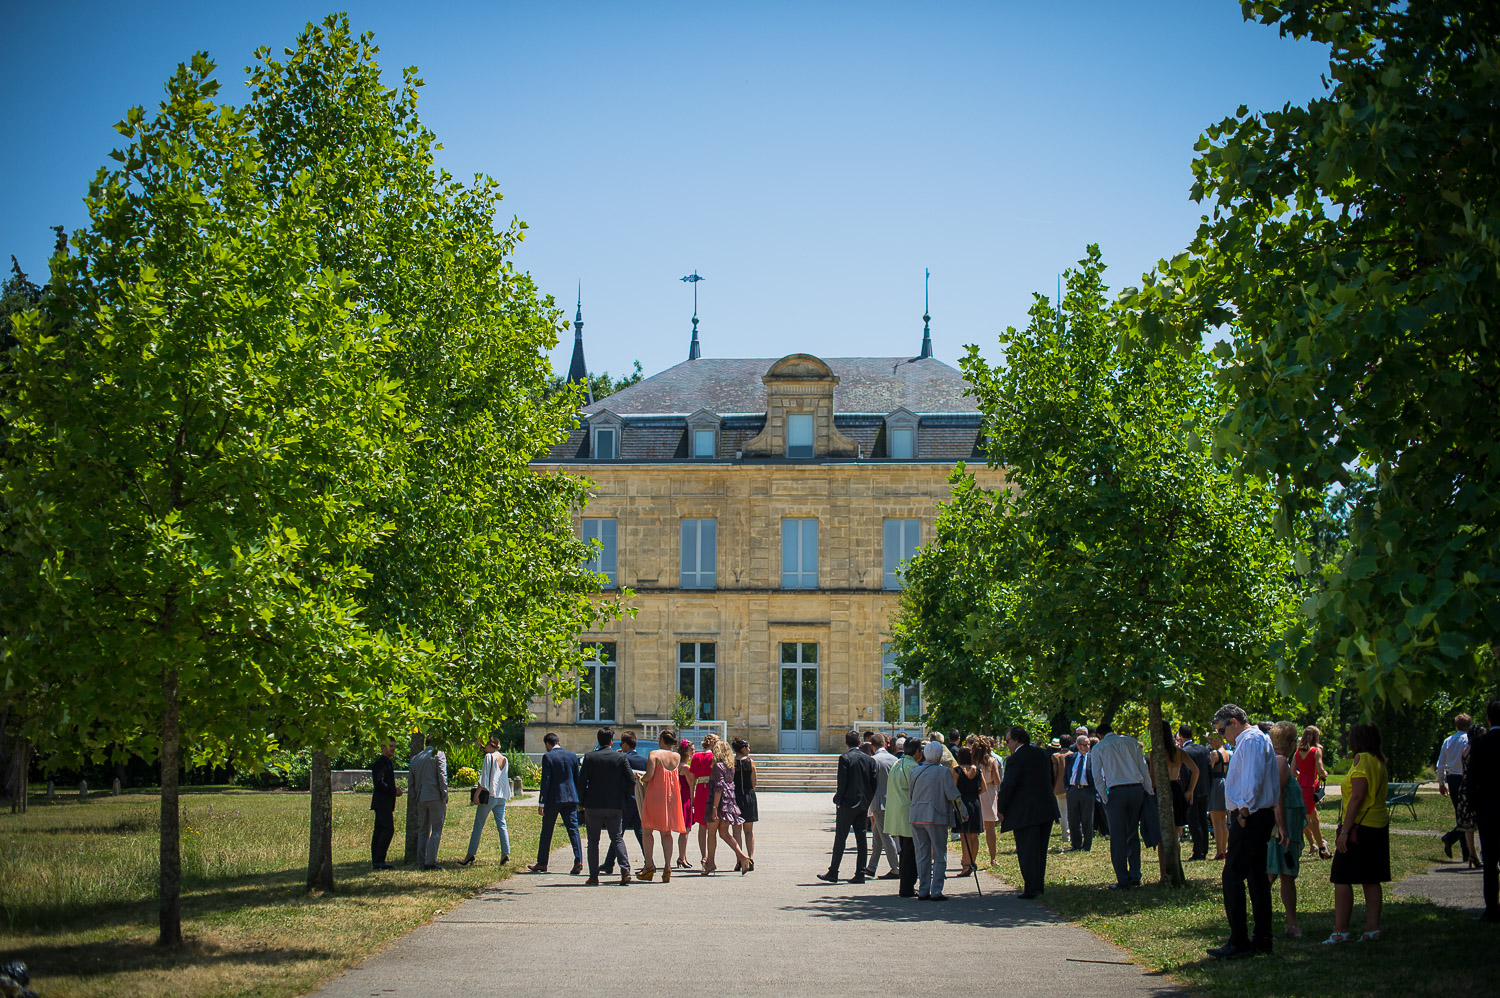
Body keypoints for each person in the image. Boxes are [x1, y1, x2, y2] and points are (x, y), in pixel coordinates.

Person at [1208, 704, 1279, 959]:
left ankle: (1239, 941)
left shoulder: (1250, 740)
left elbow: (1253, 777)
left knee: (1233, 876)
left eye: (1221, 729)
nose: (1221, 734)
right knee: (1256, 877)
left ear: (1234, 721)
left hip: (1250, 815)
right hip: (1254, 814)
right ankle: (1262, 938)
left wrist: (1244, 811)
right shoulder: (1254, 739)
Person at [1324, 721, 1390, 944]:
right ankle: (1373, 929)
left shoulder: (1361, 759)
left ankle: (1340, 930)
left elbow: (1358, 796)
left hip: (1360, 827)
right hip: (1378, 825)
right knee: (1372, 878)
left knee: (1341, 877)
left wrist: (1345, 831)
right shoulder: (1379, 760)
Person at [997, 725, 1057, 899]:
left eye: (1008, 741)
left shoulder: (1015, 759)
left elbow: (1008, 785)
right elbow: (1051, 779)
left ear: (1016, 740)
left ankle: (1031, 887)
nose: (1007, 745)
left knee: (1027, 850)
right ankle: (1038, 884)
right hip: (1045, 807)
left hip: (1025, 811)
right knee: (1040, 850)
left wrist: (1001, 808)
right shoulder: (1043, 754)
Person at [1091, 720, 1152, 890]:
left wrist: (1104, 797)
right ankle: (1135, 874)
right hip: (1136, 789)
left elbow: (1097, 776)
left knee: (1117, 836)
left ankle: (1123, 878)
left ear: (1100, 735)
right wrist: (1148, 791)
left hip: (1116, 791)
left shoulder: (1099, 748)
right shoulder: (1131, 742)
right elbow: (1143, 768)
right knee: (1132, 833)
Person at [819, 730, 877, 884]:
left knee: (840, 839)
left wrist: (838, 800)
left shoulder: (844, 758)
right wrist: (867, 800)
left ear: (846, 743)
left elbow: (842, 783)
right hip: (862, 805)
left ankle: (833, 872)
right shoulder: (870, 760)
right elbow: (873, 784)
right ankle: (860, 873)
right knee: (862, 839)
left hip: (847, 804)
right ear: (860, 743)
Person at [578, 727, 634, 886]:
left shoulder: (589, 757)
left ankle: (594, 875)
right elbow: (631, 780)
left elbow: (581, 782)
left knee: (593, 840)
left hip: (593, 804)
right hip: (615, 804)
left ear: (598, 740)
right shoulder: (620, 758)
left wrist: (582, 801)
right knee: (616, 837)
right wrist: (625, 797)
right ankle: (625, 870)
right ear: (611, 741)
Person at [908, 738, 962, 900]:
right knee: (939, 854)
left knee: (922, 855)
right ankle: (936, 891)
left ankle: (923, 889)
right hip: (936, 816)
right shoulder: (943, 772)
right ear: (939, 756)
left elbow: (911, 794)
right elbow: (953, 795)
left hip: (916, 815)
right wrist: (963, 812)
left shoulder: (915, 772)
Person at [1266, 721, 1304, 938]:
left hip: (1286, 828)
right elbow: (1277, 796)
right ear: (1291, 743)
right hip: (1283, 830)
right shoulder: (1281, 762)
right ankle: (1283, 924)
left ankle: (1291, 924)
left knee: (1282, 874)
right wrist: (1282, 828)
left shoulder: (1279, 761)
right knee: (1274, 874)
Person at [530, 732, 583, 875]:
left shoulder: (548, 757)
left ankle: (542, 862)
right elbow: (577, 778)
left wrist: (542, 803)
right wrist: (579, 798)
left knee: (547, 830)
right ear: (558, 742)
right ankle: (578, 859)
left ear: (548, 744)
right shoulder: (572, 756)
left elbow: (546, 781)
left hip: (554, 798)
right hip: (571, 797)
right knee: (573, 829)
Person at [638, 728, 687, 882]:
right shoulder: (677, 756)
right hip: (672, 796)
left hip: (656, 795)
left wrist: (640, 777)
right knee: (667, 832)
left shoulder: (654, 754)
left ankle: (649, 866)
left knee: (647, 831)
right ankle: (667, 866)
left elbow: (650, 775)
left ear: (661, 740)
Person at [1468, 700, 1500, 921]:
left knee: (1490, 861)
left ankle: (1491, 909)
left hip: (1488, 810)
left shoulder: (1480, 743)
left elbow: (1472, 780)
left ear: (1488, 719)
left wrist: (1475, 806)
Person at [703, 736, 753, 874]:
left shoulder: (718, 766)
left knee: (711, 833)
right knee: (724, 833)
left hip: (718, 803)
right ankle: (743, 857)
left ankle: (711, 863)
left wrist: (714, 808)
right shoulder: (730, 766)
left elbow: (718, 788)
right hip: (729, 802)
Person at [460, 731, 510, 867]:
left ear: (491, 745)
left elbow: (484, 778)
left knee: (478, 825)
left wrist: (477, 794)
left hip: (490, 795)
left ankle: (470, 854)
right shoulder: (505, 759)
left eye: (485, 745)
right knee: (502, 824)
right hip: (501, 796)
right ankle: (505, 853)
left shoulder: (489, 757)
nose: (484, 748)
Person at [602, 731, 648, 877]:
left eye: (622, 743)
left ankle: (609, 864)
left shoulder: (621, 758)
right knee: (640, 832)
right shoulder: (644, 761)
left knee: (617, 833)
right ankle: (649, 860)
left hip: (625, 800)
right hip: (639, 800)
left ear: (625, 744)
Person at [408, 735, 449, 871]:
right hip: (435, 796)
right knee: (436, 829)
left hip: (421, 798)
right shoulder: (438, 755)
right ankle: (430, 861)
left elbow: (411, 782)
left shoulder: (415, 758)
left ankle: (421, 861)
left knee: (423, 830)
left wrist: (415, 797)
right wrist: (444, 794)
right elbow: (442, 775)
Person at [1438, 713, 1474, 863]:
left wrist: (1441, 782)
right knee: (1469, 815)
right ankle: (1451, 838)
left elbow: (1441, 764)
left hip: (1452, 778)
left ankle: (1466, 852)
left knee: (1460, 815)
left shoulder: (1448, 740)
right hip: (1465, 777)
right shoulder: (1469, 740)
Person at [1157, 721, 1200, 846]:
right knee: (1175, 829)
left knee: (1162, 830)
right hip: (1176, 788)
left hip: (1162, 788)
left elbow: (1152, 777)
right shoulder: (1179, 753)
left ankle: (1165, 862)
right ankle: (1176, 860)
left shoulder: (1156, 754)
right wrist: (1190, 790)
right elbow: (1196, 771)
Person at [886, 740, 920, 897]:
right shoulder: (912, 767)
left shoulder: (897, 764)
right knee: (910, 854)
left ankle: (905, 886)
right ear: (917, 751)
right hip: (909, 814)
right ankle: (907, 887)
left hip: (897, 814)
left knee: (905, 851)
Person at [865, 733, 900, 879]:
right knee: (877, 837)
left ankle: (896, 868)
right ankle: (871, 867)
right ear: (885, 744)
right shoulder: (894, 759)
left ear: (872, 747)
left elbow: (870, 783)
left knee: (886, 838)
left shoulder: (873, 760)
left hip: (879, 802)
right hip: (893, 801)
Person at [1294, 726, 1331, 859]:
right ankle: (1322, 847)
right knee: (1311, 819)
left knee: (1312, 817)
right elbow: (1320, 770)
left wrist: (1302, 775)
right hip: (1310, 787)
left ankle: (1318, 845)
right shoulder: (1316, 751)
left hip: (1300, 787)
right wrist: (1324, 774)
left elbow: (1293, 771)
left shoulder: (1298, 752)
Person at [1179, 724, 1212, 861]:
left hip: (1192, 790)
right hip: (1204, 789)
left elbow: (1185, 773)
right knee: (1203, 820)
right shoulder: (1203, 749)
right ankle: (1204, 848)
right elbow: (1209, 769)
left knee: (1194, 821)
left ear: (1180, 735)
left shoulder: (1184, 752)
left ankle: (1198, 851)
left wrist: (1187, 790)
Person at [369, 736, 403, 870]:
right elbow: (379, 783)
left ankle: (377, 860)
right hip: (382, 803)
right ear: (383, 747)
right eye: (391, 746)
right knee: (387, 829)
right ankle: (379, 860)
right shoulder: (380, 763)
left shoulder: (388, 762)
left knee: (379, 830)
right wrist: (393, 791)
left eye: (394, 746)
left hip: (385, 803)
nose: (393, 749)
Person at [953, 746, 984, 876]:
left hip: (962, 803)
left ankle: (966, 865)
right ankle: (972, 862)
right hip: (975, 802)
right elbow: (984, 788)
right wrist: (974, 793)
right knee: (974, 835)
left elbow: (953, 788)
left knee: (964, 835)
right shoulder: (977, 770)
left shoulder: (956, 771)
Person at [1065, 735, 1096, 851]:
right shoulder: (1070, 758)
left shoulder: (1093, 758)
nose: (1087, 747)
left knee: (1087, 819)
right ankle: (1076, 844)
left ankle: (1087, 845)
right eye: (1084, 744)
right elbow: (1066, 774)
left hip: (1087, 791)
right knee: (1073, 819)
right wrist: (1068, 788)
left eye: (1088, 744)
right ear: (1078, 746)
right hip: (1073, 790)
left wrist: (1093, 790)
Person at [690, 734, 717, 866]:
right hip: (711, 790)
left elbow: (692, 778)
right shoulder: (714, 757)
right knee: (711, 826)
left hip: (700, 789)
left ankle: (703, 855)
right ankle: (710, 857)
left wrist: (691, 795)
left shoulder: (696, 756)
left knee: (702, 826)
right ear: (712, 743)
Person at [975, 735, 1003, 865]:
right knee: (990, 829)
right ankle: (993, 858)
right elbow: (997, 780)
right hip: (989, 793)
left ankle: (971, 858)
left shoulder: (973, 761)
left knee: (974, 829)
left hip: (976, 793)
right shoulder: (992, 761)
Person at [732, 737, 759, 869]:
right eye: (748, 747)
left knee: (736, 830)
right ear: (743, 749)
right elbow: (754, 783)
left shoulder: (731, 762)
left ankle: (740, 859)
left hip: (735, 796)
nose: (749, 749)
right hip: (748, 795)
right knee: (749, 831)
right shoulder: (751, 762)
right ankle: (751, 858)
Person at [1207, 730, 1233, 861]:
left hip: (1216, 784)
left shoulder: (1214, 753)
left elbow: (1208, 770)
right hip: (1225, 782)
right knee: (1223, 820)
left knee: (1216, 819)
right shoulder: (1227, 753)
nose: (1210, 742)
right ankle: (1224, 849)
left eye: (1212, 739)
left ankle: (1219, 851)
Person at [675, 739, 695, 870]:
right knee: (685, 830)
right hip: (685, 799)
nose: (693, 752)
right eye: (692, 750)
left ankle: (683, 856)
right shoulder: (686, 767)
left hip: (679, 798)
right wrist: (693, 800)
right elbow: (691, 785)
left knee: (685, 830)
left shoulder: (676, 765)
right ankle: (681, 857)